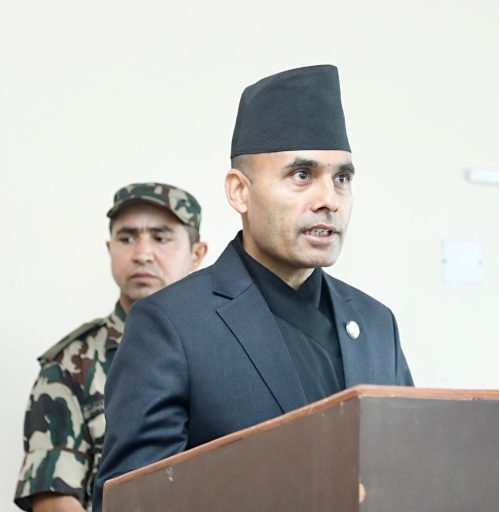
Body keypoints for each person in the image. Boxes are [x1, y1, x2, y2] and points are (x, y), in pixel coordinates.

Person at [93, 65, 413, 511]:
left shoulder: (375, 323)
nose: (329, 200)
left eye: (341, 178)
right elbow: (135, 502)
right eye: (301, 175)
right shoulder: (171, 325)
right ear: (239, 192)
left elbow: (407, 473)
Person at [15, 183, 208, 512]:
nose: (142, 254)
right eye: (127, 238)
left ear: (197, 254)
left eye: (161, 238)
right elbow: (54, 499)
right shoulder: (71, 364)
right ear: (110, 248)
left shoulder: (228, 347)